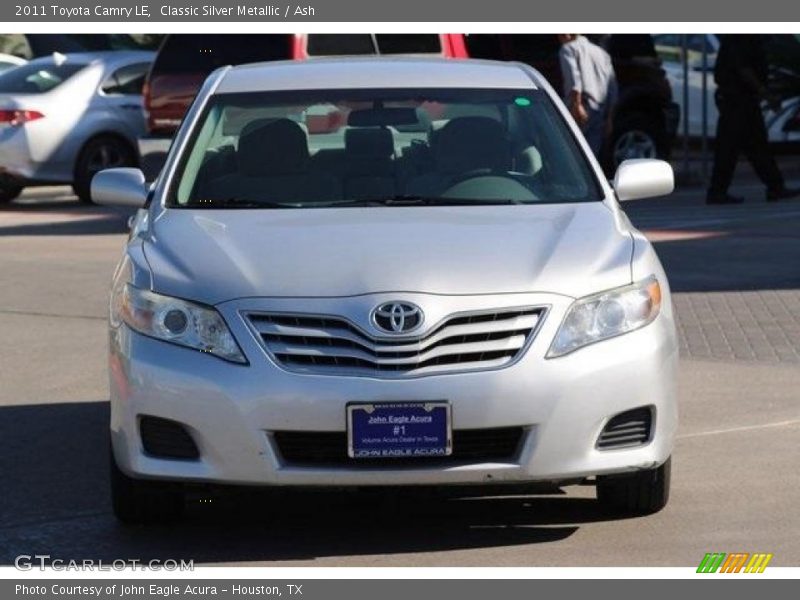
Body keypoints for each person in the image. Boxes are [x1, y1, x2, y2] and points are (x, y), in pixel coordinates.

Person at [707, 35, 799, 204]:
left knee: (753, 145)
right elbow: (744, 68)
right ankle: (718, 191)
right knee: (733, 146)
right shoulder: (742, 38)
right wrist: (765, 93)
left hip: (741, 98)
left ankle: (774, 186)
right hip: (737, 98)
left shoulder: (745, 36)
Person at [557, 34, 618, 157]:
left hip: (579, 107)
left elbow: (574, 81)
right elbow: (612, 88)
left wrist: (576, 106)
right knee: (590, 155)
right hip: (600, 110)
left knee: (569, 152)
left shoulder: (568, 49)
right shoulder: (602, 53)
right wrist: (610, 118)